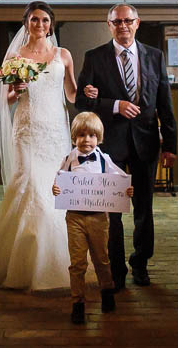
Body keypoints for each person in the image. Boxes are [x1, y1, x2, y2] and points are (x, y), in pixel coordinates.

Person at [0, 1, 78, 291]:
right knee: (30, 186)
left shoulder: (63, 55)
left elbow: (70, 94)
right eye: (34, 20)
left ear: (51, 24)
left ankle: (56, 263)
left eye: (44, 20)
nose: (39, 25)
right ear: (26, 23)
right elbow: (5, 100)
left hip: (55, 131)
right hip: (28, 130)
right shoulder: (15, 57)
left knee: (55, 193)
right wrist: (15, 91)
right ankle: (23, 265)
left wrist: (82, 88)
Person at [76, 3, 177, 289]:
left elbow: (165, 104)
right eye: (117, 22)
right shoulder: (94, 58)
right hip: (111, 146)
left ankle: (141, 265)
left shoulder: (155, 56)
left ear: (137, 23)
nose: (122, 26)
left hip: (146, 143)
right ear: (109, 25)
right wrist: (114, 105)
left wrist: (170, 144)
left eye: (127, 21)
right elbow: (82, 102)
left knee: (144, 208)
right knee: (113, 211)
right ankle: (115, 271)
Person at [51, 112, 133, 325]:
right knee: (77, 263)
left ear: (99, 138)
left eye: (91, 136)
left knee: (101, 259)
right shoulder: (69, 159)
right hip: (75, 218)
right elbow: (59, 179)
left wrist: (127, 190)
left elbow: (119, 179)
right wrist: (56, 188)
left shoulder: (104, 160)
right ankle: (77, 303)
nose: (86, 140)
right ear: (73, 138)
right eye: (81, 135)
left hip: (99, 219)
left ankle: (107, 291)